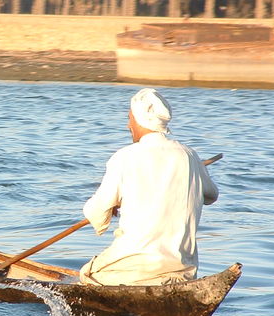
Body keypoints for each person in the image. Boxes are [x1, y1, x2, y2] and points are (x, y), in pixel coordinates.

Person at [79, 88, 218, 286]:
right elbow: (211, 195)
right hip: (182, 270)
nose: (128, 125)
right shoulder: (189, 155)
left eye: (130, 118)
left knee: (86, 276)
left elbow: (96, 210)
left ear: (138, 120)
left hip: (134, 268)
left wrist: (111, 208)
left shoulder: (124, 157)